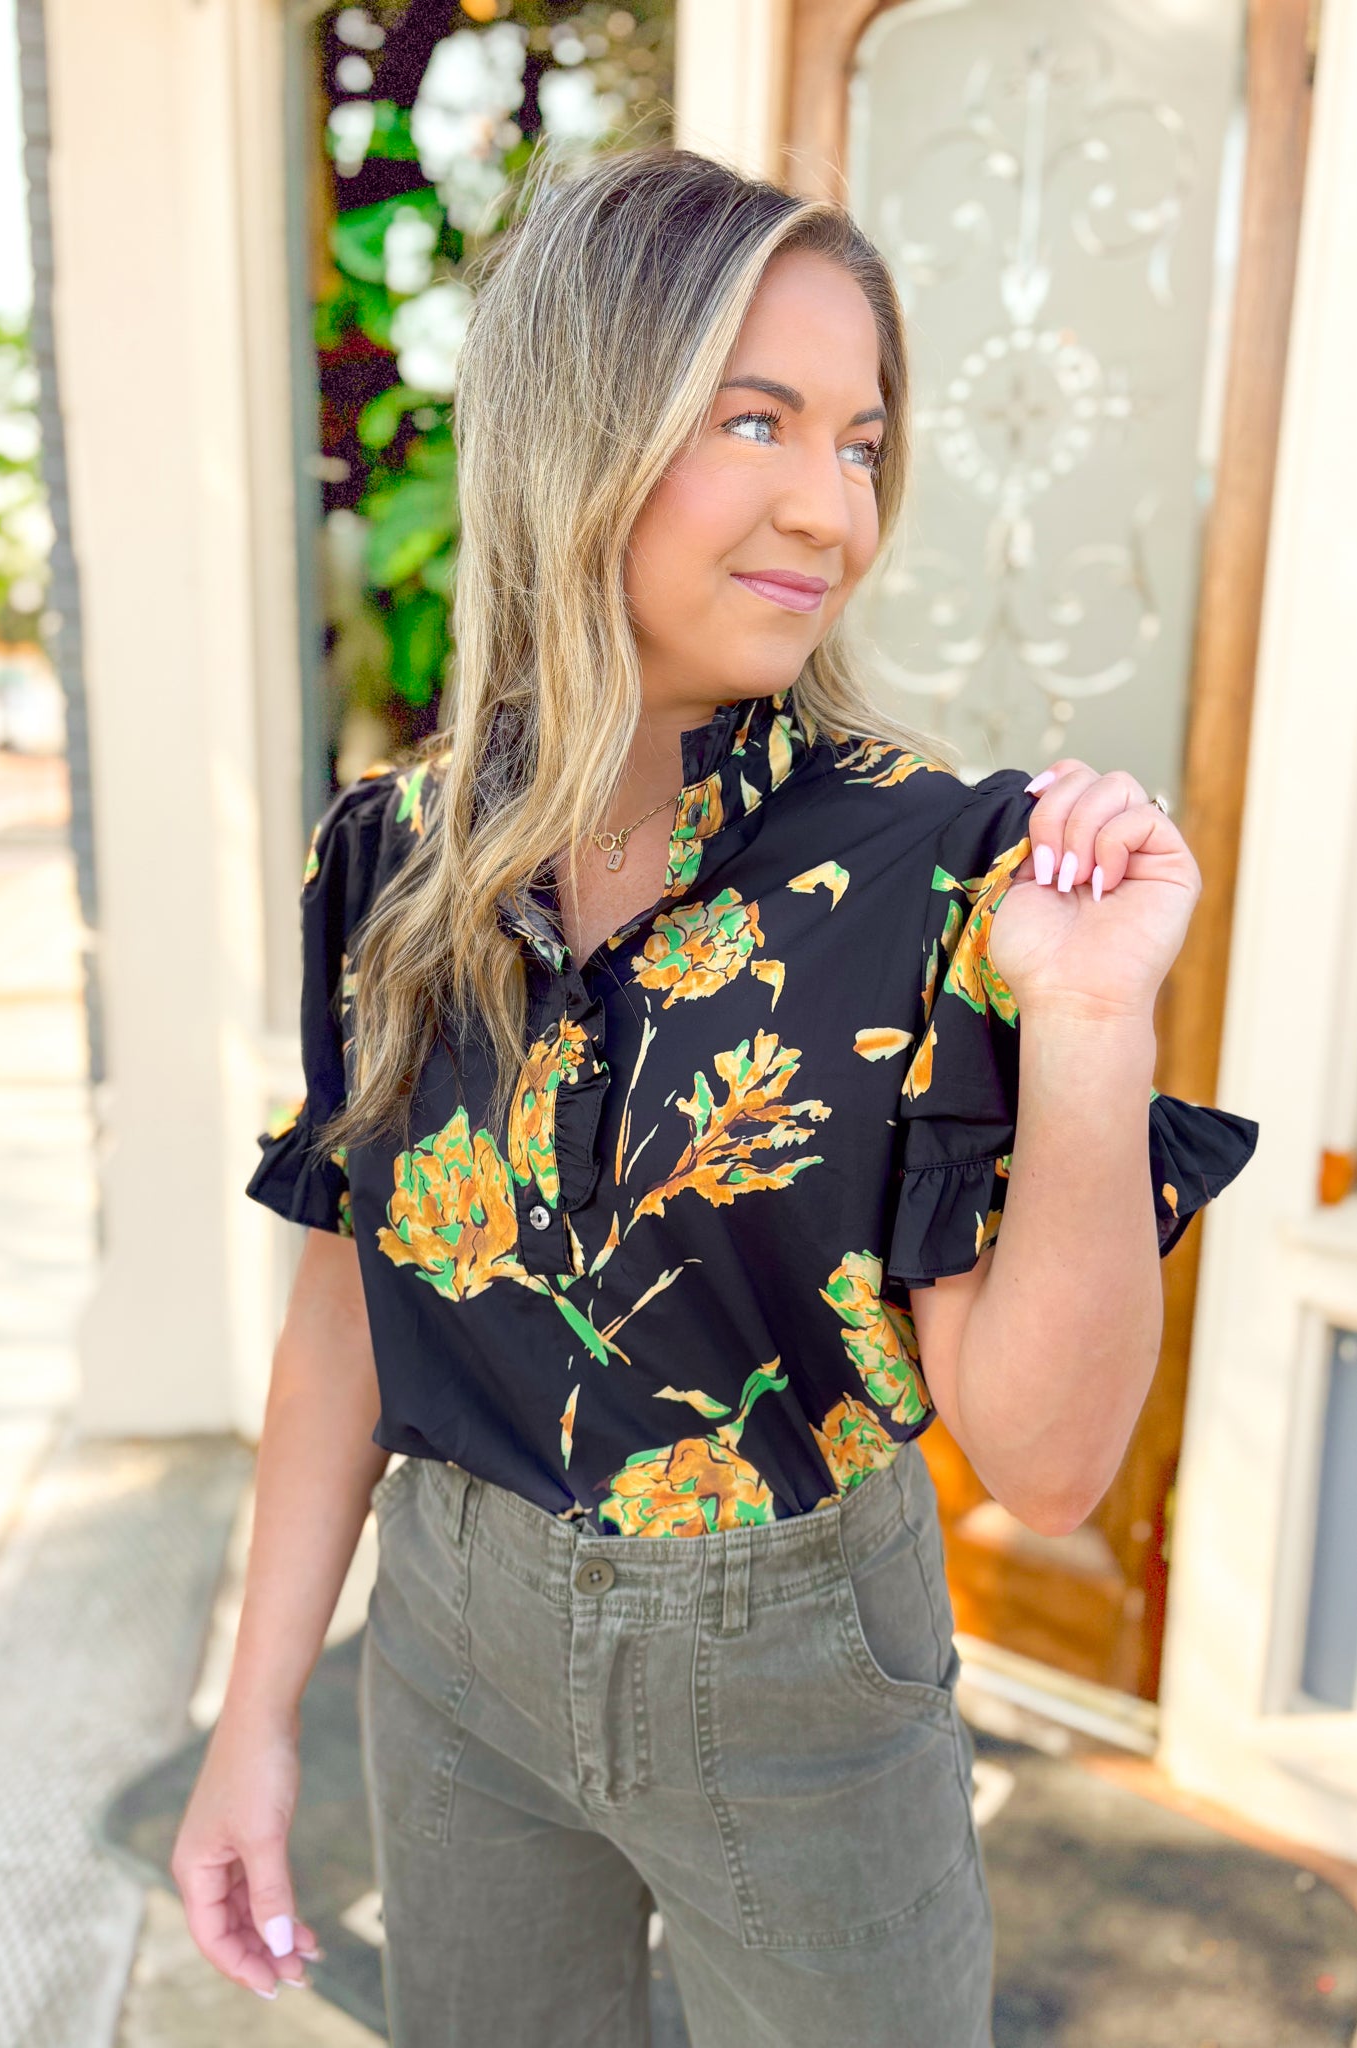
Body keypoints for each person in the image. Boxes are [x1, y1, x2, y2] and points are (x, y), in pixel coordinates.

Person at [170, 146, 1259, 2045]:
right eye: (753, 418)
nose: (827, 506)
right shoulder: (396, 856)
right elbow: (349, 1307)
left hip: (801, 1675)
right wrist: (251, 1727)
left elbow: (1049, 1461)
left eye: (857, 440)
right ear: (577, 424)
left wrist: (1088, 1031)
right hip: (450, 1649)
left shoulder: (938, 873)